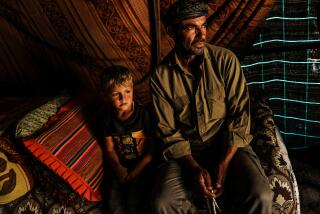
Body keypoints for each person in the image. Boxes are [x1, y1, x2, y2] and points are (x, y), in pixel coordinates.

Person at [150, 1, 273, 213]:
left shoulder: (225, 60)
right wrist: (193, 167)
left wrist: (223, 163)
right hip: (187, 152)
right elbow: (168, 132)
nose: (202, 34)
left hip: (226, 144)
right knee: (162, 202)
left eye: (204, 26)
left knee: (260, 195)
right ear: (172, 31)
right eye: (191, 27)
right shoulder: (161, 77)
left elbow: (240, 117)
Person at [100, 65, 156, 214]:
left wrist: (133, 174)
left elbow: (151, 152)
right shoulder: (107, 119)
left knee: (134, 201)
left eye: (127, 92)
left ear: (133, 90)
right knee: (112, 201)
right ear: (106, 96)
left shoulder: (144, 116)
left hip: (142, 166)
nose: (123, 98)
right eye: (115, 94)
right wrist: (119, 169)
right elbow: (109, 149)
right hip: (120, 167)